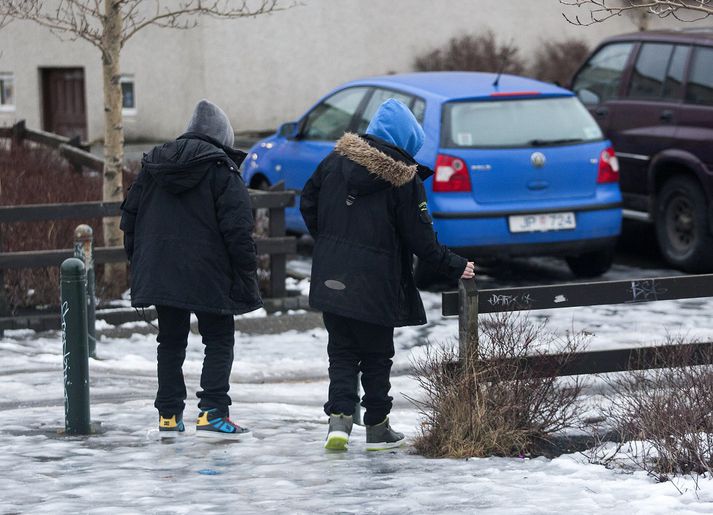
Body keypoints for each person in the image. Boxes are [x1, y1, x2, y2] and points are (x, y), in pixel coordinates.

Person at [300, 99, 475, 451]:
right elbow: (420, 239)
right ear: (405, 141)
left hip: (332, 275)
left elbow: (308, 203)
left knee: (342, 351)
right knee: (377, 355)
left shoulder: (333, 162)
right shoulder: (403, 179)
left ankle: (339, 420)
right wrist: (455, 265)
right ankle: (377, 426)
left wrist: (333, 243)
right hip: (377, 282)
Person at [120, 99, 262, 440]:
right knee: (218, 338)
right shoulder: (222, 171)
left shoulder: (153, 168)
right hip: (209, 272)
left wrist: (141, 263)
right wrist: (246, 273)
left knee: (169, 341)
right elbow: (238, 230)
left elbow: (130, 220)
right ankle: (213, 411)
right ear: (221, 137)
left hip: (161, 270)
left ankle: (169, 415)